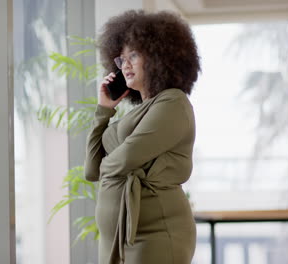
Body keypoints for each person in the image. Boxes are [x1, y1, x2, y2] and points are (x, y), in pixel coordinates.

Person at [84, 10, 201, 264]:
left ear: (160, 56)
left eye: (134, 55)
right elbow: (92, 170)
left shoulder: (173, 104)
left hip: (157, 236)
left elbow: (126, 158)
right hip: (118, 241)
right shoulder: (133, 115)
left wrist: (111, 154)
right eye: (121, 58)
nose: (125, 64)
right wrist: (103, 110)